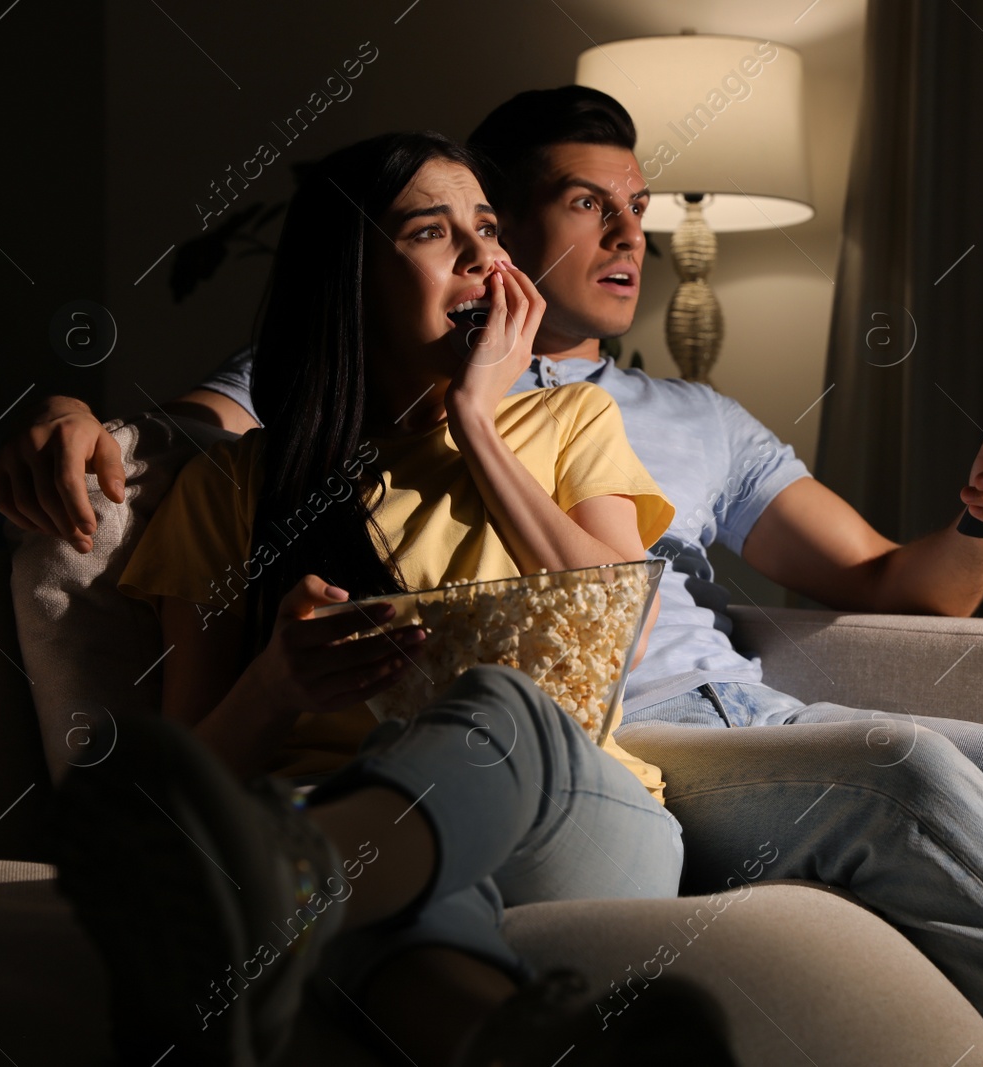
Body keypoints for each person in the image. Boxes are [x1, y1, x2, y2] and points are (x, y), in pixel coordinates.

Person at [10, 91, 983, 1065]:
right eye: (592, 204)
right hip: (622, 739)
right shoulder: (287, 440)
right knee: (857, 773)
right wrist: (71, 411)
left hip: (684, 730)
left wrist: (981, 522)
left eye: (644, 204)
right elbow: (198, 430)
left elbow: (881, 578)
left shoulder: (650, 415)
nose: (637, 234)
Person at [50, 129, 732, 1067]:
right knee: (385, 854)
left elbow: (620, 615)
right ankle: (515, 1039)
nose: (480, 255)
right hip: (350, 808)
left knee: (494, 707)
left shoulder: (567, 418)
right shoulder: (235, 490)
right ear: (351, 279)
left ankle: (282, 890)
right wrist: (277, 687)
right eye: (429, 231)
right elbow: (193, 771)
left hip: (578, 811)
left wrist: (478, 422)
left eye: (486, 229)